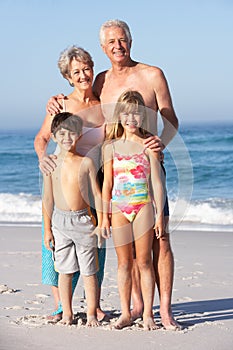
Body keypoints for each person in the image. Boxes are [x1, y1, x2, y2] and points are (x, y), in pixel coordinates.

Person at [46, 19, 180, 330]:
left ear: (130, 42)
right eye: (111, 42)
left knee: (161, 240)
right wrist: (56, 101)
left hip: (147, 166)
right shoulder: (102, 81)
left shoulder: (152, 74)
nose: (117, 45)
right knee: (128, 251)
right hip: (115, 169)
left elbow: (170, 116)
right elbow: (81, 98)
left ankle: (165, 310)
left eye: (122, 39)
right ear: (104, 49)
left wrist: (163, 142)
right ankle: (134, 306)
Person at [34, 46, 106, 322]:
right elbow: (41, 138)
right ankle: (60, 305)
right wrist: (44, 159)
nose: (83, 74)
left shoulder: (102, 104)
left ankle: (94, 305)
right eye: (76, 71)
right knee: (56, 242)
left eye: (87, 68)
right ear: (67, 77)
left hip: (93, 177)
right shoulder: (60, 105)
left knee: (93, 245)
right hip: (61, 177)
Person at [101, 90, 166, 330]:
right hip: (119, 208)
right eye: (126, 114)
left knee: (145, 262)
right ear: (119, 116)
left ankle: (148, 314)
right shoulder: (111, 147)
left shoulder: (149, 146)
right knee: (123, 264)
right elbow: (107, 183)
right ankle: (126, 313)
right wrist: (105, 216)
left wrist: (160, 215)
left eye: (136, 115)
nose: (131, 119)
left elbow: (157, 183)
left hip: (143, 206)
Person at [42, 112, 102, 326]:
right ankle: (67, 313)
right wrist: (47, 229)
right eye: (62, 133)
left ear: (79, 136)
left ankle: (92, 314)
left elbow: (96, 195)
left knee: (89, 272)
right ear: (54, 137)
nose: (67, 138)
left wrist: (102, 222)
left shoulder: (85, 163)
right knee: (65, 271)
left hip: (83, 221)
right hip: (59, 222)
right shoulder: (51, 164)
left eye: (72, 133)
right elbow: (47, 198)